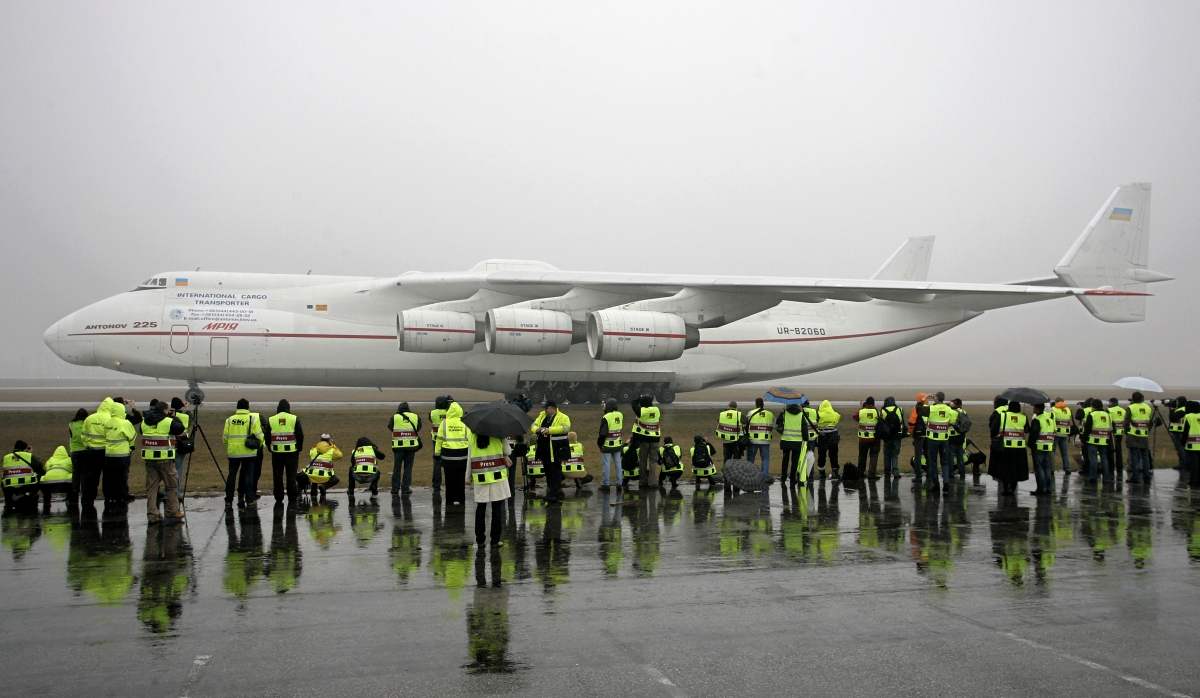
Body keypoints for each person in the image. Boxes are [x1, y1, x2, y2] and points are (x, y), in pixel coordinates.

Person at [140, 400, 187, 524]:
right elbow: (180, 429)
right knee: (172, 484)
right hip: (164, 458)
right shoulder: (168, 421)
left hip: (149, 458)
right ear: (165, 410)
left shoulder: (145, 421)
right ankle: (172, 510)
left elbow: (141, 431)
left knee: (152, 487)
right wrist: (174, 417)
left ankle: (152, 514)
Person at [469, 430, 511, 547]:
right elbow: (508, 451)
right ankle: (495, 540)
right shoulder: (499, 433)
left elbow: (469, 455)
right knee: (497, 508)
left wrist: (468, 477)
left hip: (480, 475)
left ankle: (480, 540)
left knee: (481, 508)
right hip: (497, 474)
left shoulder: (473, 434)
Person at [222, 399, 265, 508]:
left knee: (231, 476)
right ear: (247, 407)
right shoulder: (252, 419)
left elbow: (225, 439)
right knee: (249, 476)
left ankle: (228, 500)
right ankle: (250, 500)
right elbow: (260, 436)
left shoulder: (229, 420)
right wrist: (262, 444)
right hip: (248, 453)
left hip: (233, 453)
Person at [263, 399, 304, 505]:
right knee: (291, 475)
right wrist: (299, 448)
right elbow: (300, 435)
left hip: (276, 452)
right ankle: (292, 496)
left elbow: (267, 436)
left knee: (277, 475)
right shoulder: (294, 419)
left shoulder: (272, 419)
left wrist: (270, 447)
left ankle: (278, 497)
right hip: (292, 452)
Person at [530, 401, 571, 502]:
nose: (545, 410)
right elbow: (533, 426)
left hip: (556, 450)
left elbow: (565, 428)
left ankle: (554, 493)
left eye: (546, 408)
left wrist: (549, 430)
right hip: (544, 449)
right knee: (547, 470)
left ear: (553, 408)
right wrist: (538, 430)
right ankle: (551, 488)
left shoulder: (563, 417)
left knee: (555, 470)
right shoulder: (542, 416)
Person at [104, 398, 139, 504]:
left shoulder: (107, 422)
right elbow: (133, 436)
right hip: (122, 454)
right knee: (122, 476)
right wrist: (131, 446)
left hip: (109, 453)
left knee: (110, 476)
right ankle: (122, 495)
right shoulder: (125, 423)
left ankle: (110, 495)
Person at [990, 400, 1029, 496]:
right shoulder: (1023, 417)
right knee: (1016, 468)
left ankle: (1006, 487)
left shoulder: (1003, 415)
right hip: (1019, 447)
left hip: (1005, 446)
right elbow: (1027, 430)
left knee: (1005, 468)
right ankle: (1013, 487)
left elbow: (994, 429)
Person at [924, 392, 957, 492]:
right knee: (945, 462)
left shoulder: (931, 408)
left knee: (933, 462)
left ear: (936, 398)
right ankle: (946, 483)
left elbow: (921, 412)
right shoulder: (948, 409)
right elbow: (952, 421)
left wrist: (925, 399)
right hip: (944, 439)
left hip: (933, 439)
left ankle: (936, 484)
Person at [389, 402, 421, 496]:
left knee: (396, 468)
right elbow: (418, 427)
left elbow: (390, 427)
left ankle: (395, 488)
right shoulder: (415, 417)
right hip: (411, 447)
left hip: (398, 447)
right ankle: (405, 488)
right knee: (408, 468)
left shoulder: (394, 417)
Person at [3, 441, 43, 512]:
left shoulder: (6, 457)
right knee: (40, 474)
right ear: (25, 448)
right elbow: (39, 466)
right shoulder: (28, 456)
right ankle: (32, 497)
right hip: (27, 485)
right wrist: (29, 453)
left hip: (9, 486)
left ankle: (8, 502)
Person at [775, 402, 810, 486]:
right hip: (797, 441)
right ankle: (792, 478)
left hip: (786, 440)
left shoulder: (784, 413)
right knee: (795, 461)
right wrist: (806, 439)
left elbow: (777, 422)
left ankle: (783, 477)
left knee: (785, 460)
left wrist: (782, 412)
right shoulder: (801, 415)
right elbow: (804, 428)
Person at [630, 394, 661, 487]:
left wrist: (638, 397)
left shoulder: (641, 411)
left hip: (643, 439)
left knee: (643, 461)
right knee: (653, 461)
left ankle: (642, 482)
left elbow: (633, 403)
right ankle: (652, 482)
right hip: (655, 438)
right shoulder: (656, 410)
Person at [1081, 398, 1112, 484]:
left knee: (1093, 460)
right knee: (1104, 460)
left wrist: (1083, 440)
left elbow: (1087, 429)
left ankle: (1093, 477)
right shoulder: (1108, 414)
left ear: (1093, 406)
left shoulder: (1092, 415)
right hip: (1104, 441)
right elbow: (1111, 428)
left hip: (1093, 441)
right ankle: (1106, 478)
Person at [303, 434, 343, 499]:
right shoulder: (332, 450)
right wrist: (333, 445)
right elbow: (340, 456)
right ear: (329, 440)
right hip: (325, 476)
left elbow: (310, 453)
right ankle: (324, 486)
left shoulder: (314, 448)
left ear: (321, 440)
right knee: (335, 480)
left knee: (314, 481)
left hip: (312, 474)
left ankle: (313, 499)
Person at [1126, 392, 1154, 484]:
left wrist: (1127, 432)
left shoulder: (1131, 407)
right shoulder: (1148, 407)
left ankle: (1135, 477)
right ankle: (1147, 476)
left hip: (1133, 435)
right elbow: (1150, 422)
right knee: (1145, 456)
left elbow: (1126, 422)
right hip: (1144, 435)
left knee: (1134, 457)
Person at [597, 398, 624, 492]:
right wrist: (605, 410)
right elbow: (612, 418)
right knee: (618, 464)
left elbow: (603, 433)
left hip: (607, 445)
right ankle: (620, 483)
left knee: (606, 465)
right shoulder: (620, 415)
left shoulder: (606, 417)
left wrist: (599, 444)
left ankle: (606, 484)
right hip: (618, 444)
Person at [1029, 403, 1056, 496]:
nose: (1033, 409)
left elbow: (1034, 434)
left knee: (1039, 468)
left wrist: (1030, 444)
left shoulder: (1037, 420)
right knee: (1047, 468)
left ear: (1037, 409)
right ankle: (1048, 488)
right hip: (1048, 445)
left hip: (1039, 446)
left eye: (1034, 407)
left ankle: (1041, 488)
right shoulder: (1050, 419)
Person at [745, 398, 774, 483]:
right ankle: (765, 476)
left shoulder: (751, 413)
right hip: (765, 440)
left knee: (751, 458)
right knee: (765, 458)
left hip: (753, 440)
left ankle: (749, 476)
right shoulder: (770, 414)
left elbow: (746, 424)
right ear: (763, 404)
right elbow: (775, 425)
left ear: (756, 404)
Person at [39, 445, 74, 512]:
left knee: (44, 478)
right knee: (73, 476)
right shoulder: (69, 460)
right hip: (65, 484)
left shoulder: (50, 460)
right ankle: (71, 499)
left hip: (47, 485)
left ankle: (47, 501)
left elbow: (46, 469)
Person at [169, 398, 191, 501]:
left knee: (168, 471)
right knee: (178, 470)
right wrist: (188, 409)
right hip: (181, 446)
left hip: (168, 446)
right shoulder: (185, 416)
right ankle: (177, 493)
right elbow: (190, 422)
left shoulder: (167, 416)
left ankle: (167, 493)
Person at [853, 397, 880, 480]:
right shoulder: (877, 412)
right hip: (875, 439)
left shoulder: (861, 411)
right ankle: (872, 474)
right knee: (874, 456)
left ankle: (860, 473)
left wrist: (863, 407)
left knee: (862, 456)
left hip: (863, 439)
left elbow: (855, 417)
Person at [878, 397, 906, 479]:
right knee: (895, 455)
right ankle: (896, 473)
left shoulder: (882, 411)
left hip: (887, 436)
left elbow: (881, 423)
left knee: (887, 455)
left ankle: (887, 473)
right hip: (898, 435)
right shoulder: (900, 409)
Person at [430, 395, 452, 493]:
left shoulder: (432, 413)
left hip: (436, 441)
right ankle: (450, 484)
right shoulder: (450, 413)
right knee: (449, 464)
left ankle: (436, 485)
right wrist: (452, 402)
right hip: (448, 441)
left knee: (437, 464)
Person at [816, 400, 841, 480]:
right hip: (833, 438)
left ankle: (822, 474)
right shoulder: (835, 415)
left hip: (822, 438)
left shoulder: (819, 415)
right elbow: (837, 420)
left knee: (821, 456)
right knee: (833, 456)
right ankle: (835, 472)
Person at [67, 408, 87, 507]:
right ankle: (84, 494)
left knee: (76, 473)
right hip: (85, 450)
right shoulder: (86, 424)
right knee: (84, 473)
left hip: (75, 451)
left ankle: (74, 494)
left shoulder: (71, 424)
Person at [948, 398, 971, 478]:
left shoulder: (950, 412)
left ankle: (950, 472)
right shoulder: (963, 412)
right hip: (961, 437)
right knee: (960, 455)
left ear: (955, 404)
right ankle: (962, 471)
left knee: (950, 456)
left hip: (951, 437)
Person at [1051, 397, 1074, 474]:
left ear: (1056, 401)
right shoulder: (1068, 410)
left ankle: (1052, 468)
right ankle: (1067, 468)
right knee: (1064, 452)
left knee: (1052, 452)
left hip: (1056, 433)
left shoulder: (1053, 409)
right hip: (1065, 433)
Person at [908, 393, 929, 483]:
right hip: (929, 435)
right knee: (929, 456)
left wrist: (912, 432)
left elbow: (911, 421)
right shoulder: (930, 409)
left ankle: (918, 476)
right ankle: (930, 475)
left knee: (918, 456)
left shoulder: (916, 408)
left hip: (919, 436)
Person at [1107, 398, 1127, 483]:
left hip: (1112, 433)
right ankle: (1120, 467)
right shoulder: (1123, 410)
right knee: (1119, 451)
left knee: (1111, 450)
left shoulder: (1109, 410)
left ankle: (1111, 468)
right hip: (1120, 432)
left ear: (1111, 402)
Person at [1182, 401, 1200, 487]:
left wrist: (1183, 441)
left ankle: (1194, 480)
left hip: (1192, 444)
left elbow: (1186, 431)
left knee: (1193, 464)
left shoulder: (1189, 416)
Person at [1169, 396, 1189, 470]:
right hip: (1181, 431)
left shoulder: (1181, 410)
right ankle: (1183, 462)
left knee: (1180, 448)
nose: (1175, 403)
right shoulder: (1184, 409)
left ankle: (1184, 463)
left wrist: (1171, 410)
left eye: (1176, 401)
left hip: (1179, 432)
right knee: (1182, 448)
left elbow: (1172, 418)